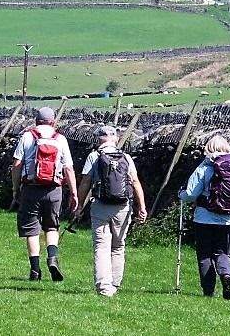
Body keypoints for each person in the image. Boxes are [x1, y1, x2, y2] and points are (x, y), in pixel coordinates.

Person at [179, 134, 230, 300]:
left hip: (204, 219)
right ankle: (226, 276)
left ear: (208, 149)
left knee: (205, 255)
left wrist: (181, 194)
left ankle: (208, 292)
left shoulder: (205, 166)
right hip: (228, 220)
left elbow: (191, 194)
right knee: (222, 253)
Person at [75, 125, 147, 297]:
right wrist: (142, 207)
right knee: (118, 246)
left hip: (100, 205)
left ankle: (104, 288)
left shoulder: (94, 156)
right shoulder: (126, 157)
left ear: (99, 139)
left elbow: (86, 182)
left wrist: (78, 206)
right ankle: (115, 283)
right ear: (115, 139)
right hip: (123, 206)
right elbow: (135, 182)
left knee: (101, 246)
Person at [10, 106, 77, 282]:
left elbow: (16, 164)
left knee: (32, 229)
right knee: (52, 226)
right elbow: (69, 169)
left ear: (36, 121)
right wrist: (74, 193)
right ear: (53, 122)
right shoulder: (60, 139)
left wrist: (15, 189)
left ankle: (35, 269)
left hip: (31, 187)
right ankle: (52, 258)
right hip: (54, 189)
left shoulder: (27, 136)